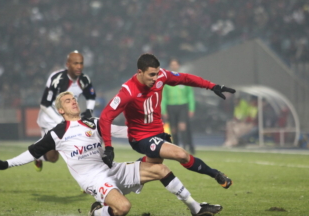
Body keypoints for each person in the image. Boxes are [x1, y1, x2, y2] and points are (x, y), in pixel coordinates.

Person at [0, 91, 222, 216]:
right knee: (123, 209)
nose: (73, 101)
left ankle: (195, 208)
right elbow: (32, 152)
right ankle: (97, 211)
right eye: (68, 101)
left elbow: (121, 130)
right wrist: (5, 164)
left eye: (74, 99)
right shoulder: (57, 133)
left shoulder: (93, 122)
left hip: (111, 168)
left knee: (160, 168)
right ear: (61, 110)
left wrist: (155, 134)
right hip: (93, 179)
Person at [99, 53, 235, 189]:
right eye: (151, 75)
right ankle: (215, 175)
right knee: (181, 154)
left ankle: (111, 188)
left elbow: (185, 78)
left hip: (158, 133)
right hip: (140, 138)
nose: (155, 78)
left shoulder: (161, 76)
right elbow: (106, 117)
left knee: (150, 168)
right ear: (139, 72)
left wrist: (211, 86)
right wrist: (109, 147)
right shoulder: (128, 91)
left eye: (157, 74)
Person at [34, 51, 96, 172]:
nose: (79, 66)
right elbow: (44, 104)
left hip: (68, 120)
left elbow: (91, 97)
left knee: (80, 148)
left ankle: (88, 182)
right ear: (68, 64)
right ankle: (38, 155)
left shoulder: (84, 79)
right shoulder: (56, 79)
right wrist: (59, 121)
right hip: (50, 120)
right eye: (75, 63)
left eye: (81, 63)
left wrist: (89, 110)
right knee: (53, 157)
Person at [161, 58, 196, 154]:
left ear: (179, 66)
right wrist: (163, 110)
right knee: (173, 129)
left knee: (183, 126)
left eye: (175, 64)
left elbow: (190, 94)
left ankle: (185, 147)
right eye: (172, 65)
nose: (174, 66)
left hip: (183, 106)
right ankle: (175, 147)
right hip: (171, 106)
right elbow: (164, 96)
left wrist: (191, 108)